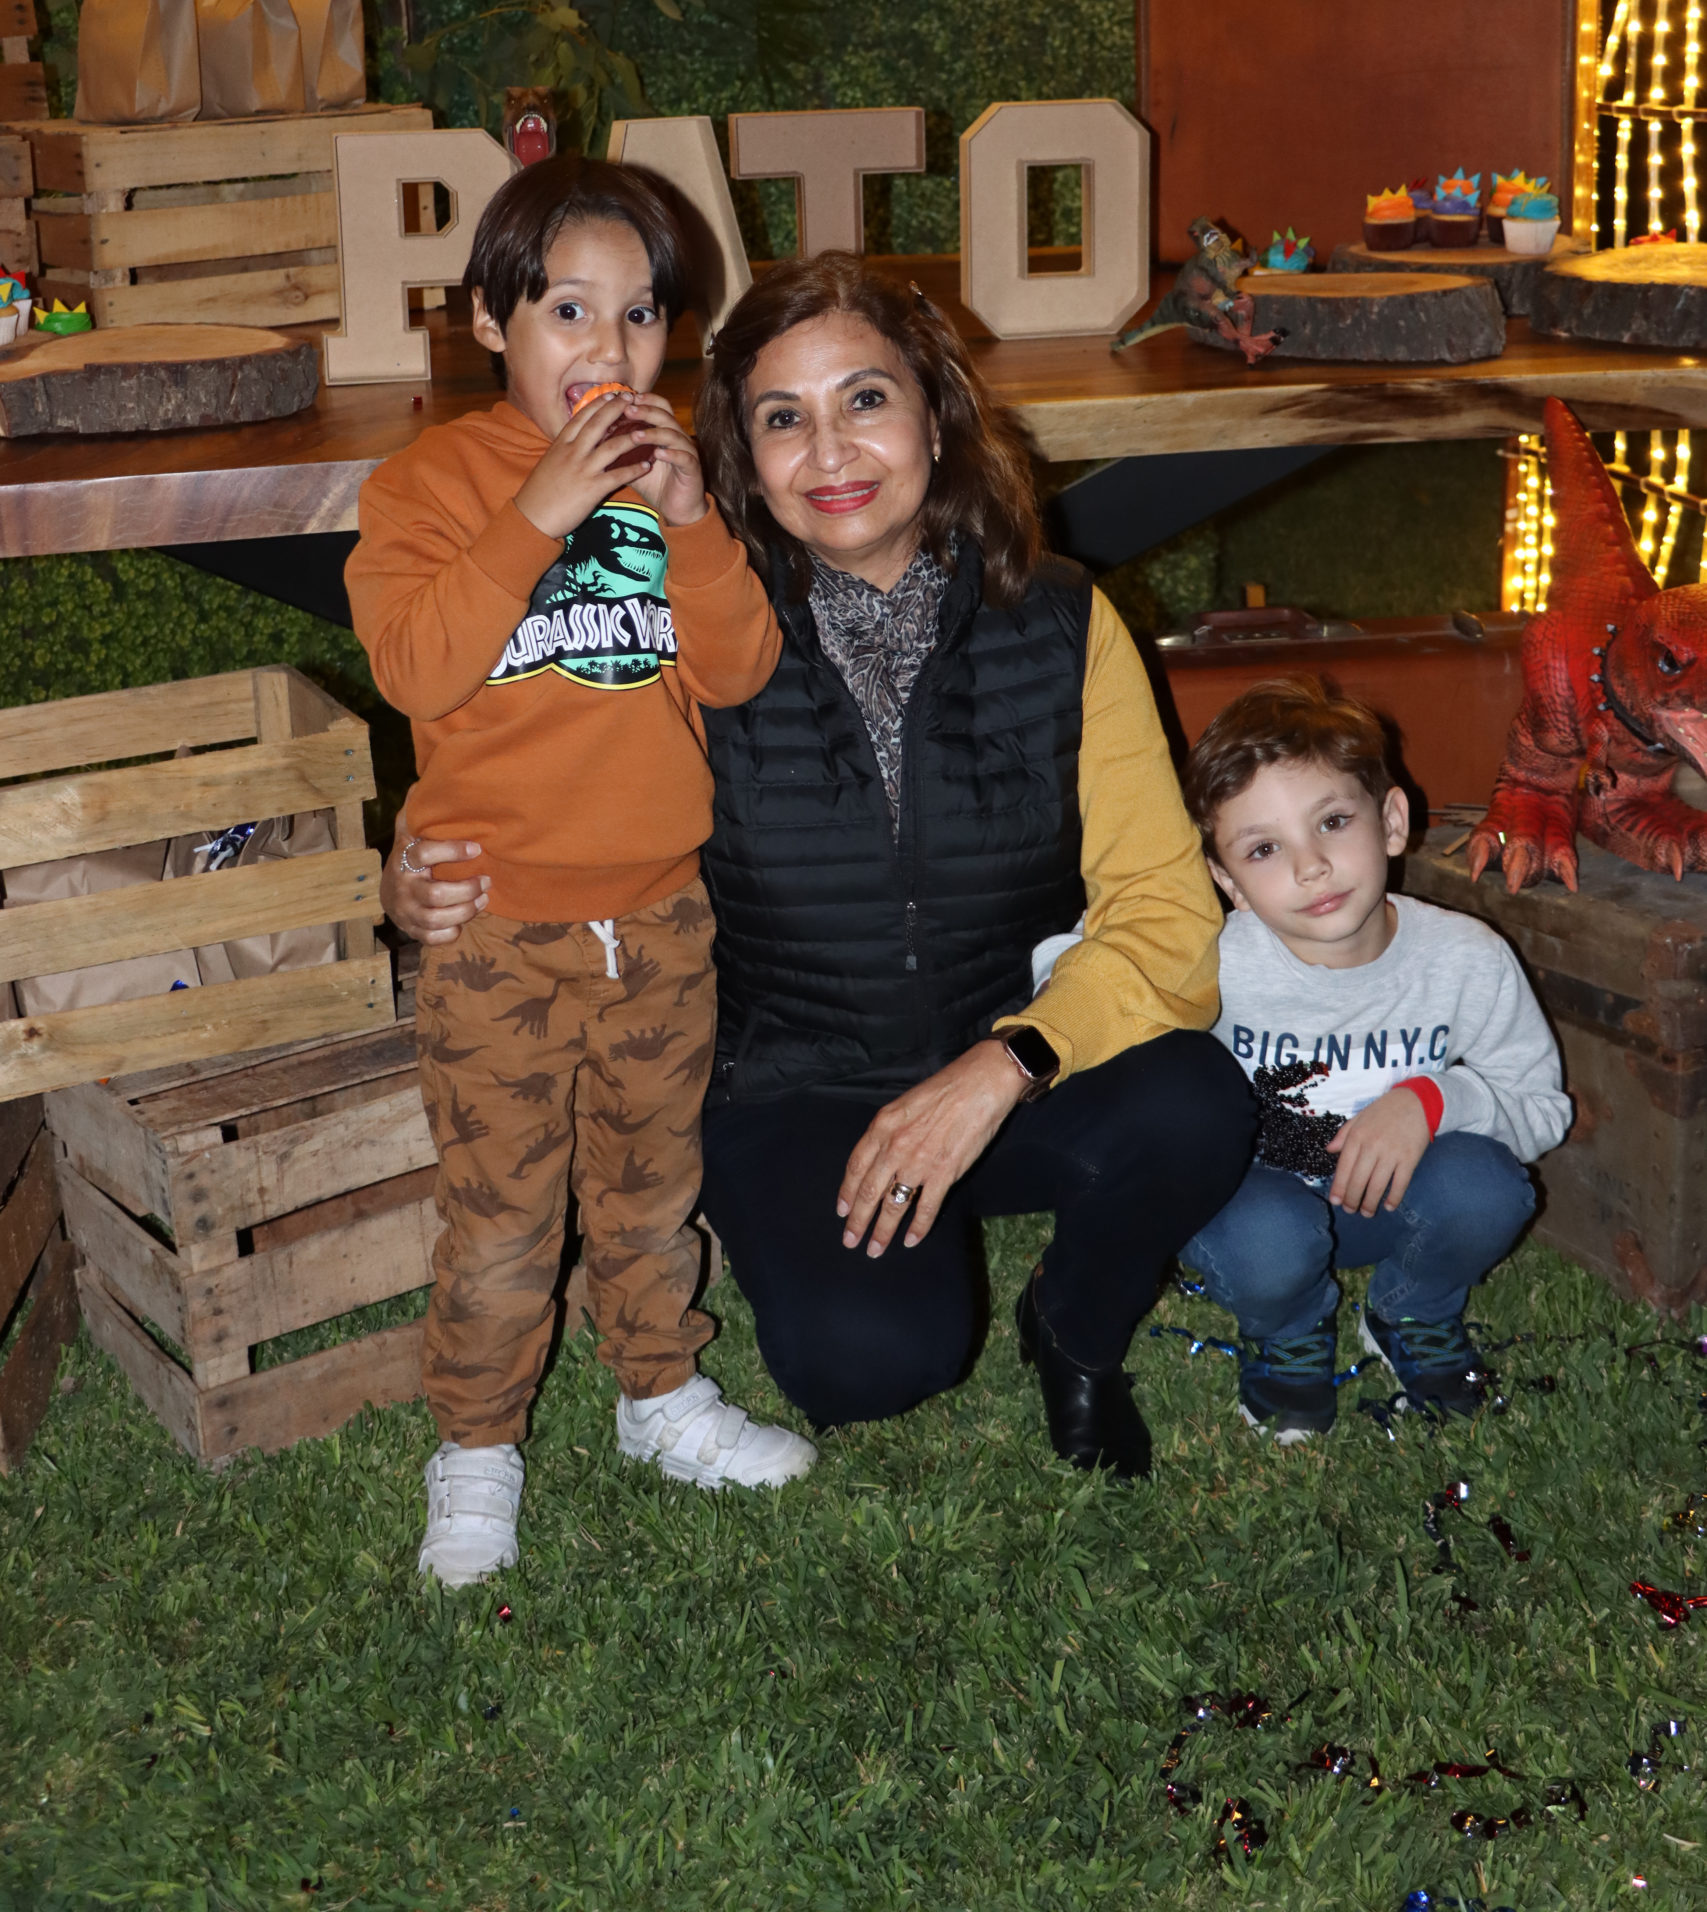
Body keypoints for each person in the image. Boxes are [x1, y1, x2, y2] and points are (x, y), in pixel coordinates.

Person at [389, 253, 1257, 1484]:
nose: (831, 453)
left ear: (937, 414)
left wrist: (1007, 1062)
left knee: (1197, 1102)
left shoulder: (1061, 620)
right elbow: (526, 758)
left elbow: (1165, 911)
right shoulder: (699, 629)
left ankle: (1072, 1325)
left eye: (865, 399)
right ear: (739, 456)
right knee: (868, 1365)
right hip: (799, 1084)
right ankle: (875, 1251)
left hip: (1003, 1070)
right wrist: (407, 864)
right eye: (781, 419)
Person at [345, 157, 815, 1591]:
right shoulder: (425, 486)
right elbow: (414, 661)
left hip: (663, 917)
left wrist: (687, 522)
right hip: (498, 934)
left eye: (637, 318)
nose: (604, 353)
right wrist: (539, 509)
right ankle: (477, 1446)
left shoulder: (671, 485)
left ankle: (657, 1394)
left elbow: (738, 669)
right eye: (566, 311)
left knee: (646, 1185)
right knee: (500, 1215)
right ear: (491, 321)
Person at [1180, 676, 1571, 1445]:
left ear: (1391, 820)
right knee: (1265, 1238)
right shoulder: (1211, 960)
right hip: (1256, 1210)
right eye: (1263, 848)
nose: (1310, 867)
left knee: (1487, 1187)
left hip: (1393, 1206)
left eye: (1331, 821)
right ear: (1226, 882)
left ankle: (1410, 1308)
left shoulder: (1467, 958)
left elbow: (1542, 1108)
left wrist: (1432, 1101)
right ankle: (1290, 1327)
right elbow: (1089, 957)